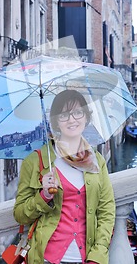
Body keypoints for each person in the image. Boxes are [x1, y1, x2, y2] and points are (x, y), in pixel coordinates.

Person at [14, 89, 116, 264]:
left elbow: (106, 211)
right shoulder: (36, 161)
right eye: (64, 115)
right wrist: (44, 196)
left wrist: (97, 256)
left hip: (86, 258)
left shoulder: (97, 161)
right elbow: (20, 215)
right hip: (46, 257)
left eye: (78, 112)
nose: (72, 120)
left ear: (86, 117)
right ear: (55, 121)